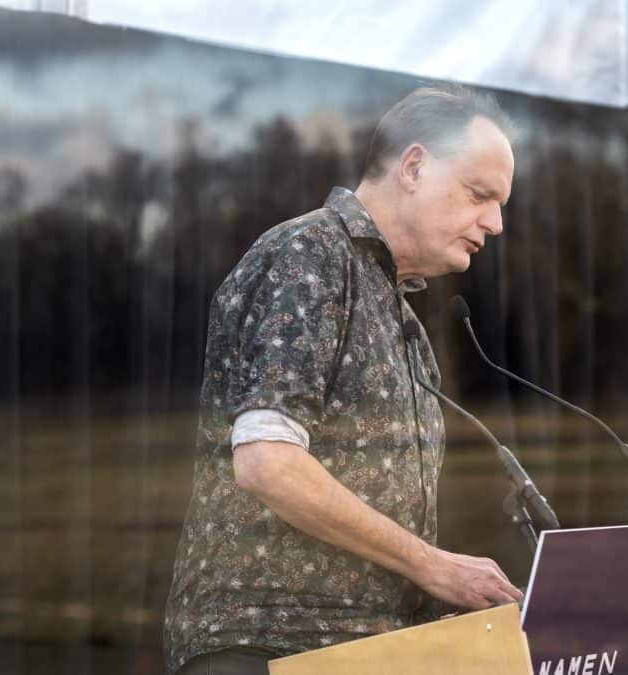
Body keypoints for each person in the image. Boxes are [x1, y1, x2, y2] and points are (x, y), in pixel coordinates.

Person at [163, 84, 522, 675]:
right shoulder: (310, 254)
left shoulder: (402, 319)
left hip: (364, 654)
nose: (496, 223)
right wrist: (431, 565)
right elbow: (267, 461)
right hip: (266, 648)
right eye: (480, 195)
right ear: (413, 166)